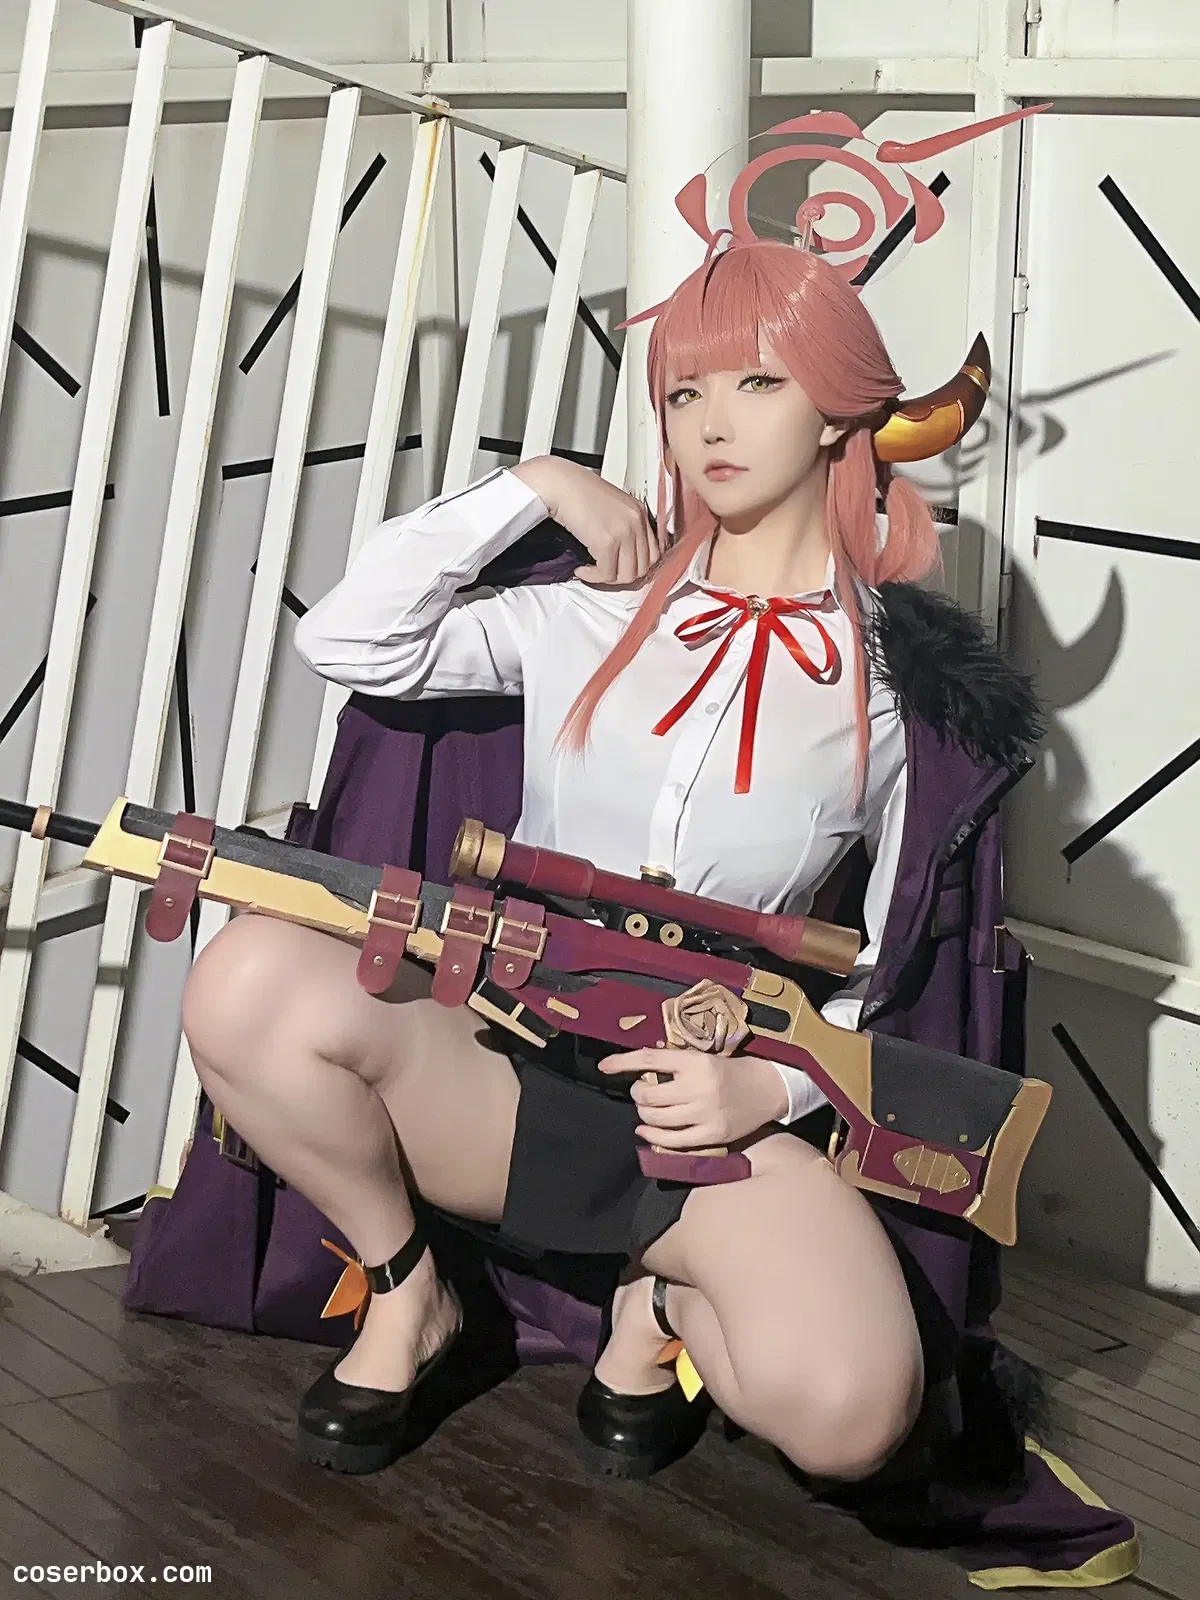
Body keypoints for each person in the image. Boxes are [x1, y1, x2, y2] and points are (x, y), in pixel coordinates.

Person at [178, 240, 1011, 1483]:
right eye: (684, 392)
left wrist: (771, 1090)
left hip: (705, 1107)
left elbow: (894, 971)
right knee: (244, 979)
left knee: (851, 1416)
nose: (711, 423)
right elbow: (348, 638)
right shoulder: (586, 608)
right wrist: (536, 486)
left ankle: (656, 1301)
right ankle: (409, 1294)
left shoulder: (905, 690)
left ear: (842, 410)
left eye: (759, 384)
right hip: (502, 1065)